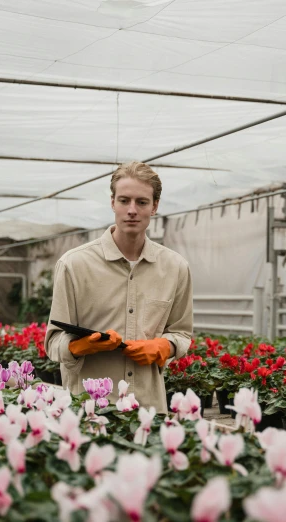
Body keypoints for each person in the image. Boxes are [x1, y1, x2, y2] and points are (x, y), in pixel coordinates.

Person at [44, 161, 193, 412]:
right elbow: (52, 341)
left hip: (147, 409)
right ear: (112, 202)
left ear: (155, 206)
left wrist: (163, 346)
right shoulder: (74, 264)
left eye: (142, 202)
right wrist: (80, 345)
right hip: (88, 409)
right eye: (124, 201)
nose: (132, 210)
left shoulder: (175, 267)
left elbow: (181, 333)